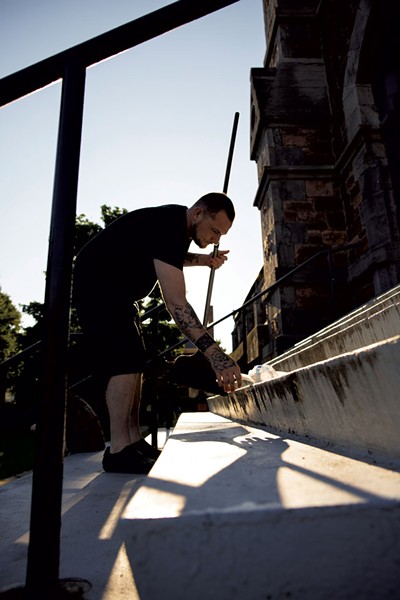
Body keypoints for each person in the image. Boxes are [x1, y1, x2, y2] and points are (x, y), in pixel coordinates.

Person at [73, 192, 242, 474]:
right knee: (124, 361)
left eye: (220, 236)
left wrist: (204, 261)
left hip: (119, 293)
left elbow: (168, 255)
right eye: (214, 231)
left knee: (136, 361)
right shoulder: (169, 225)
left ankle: (133, 441)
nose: (215, 240)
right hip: (99, 285)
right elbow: (177, 305)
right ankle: (119, 451)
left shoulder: (173, 226)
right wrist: (215, 354)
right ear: (198, 213)